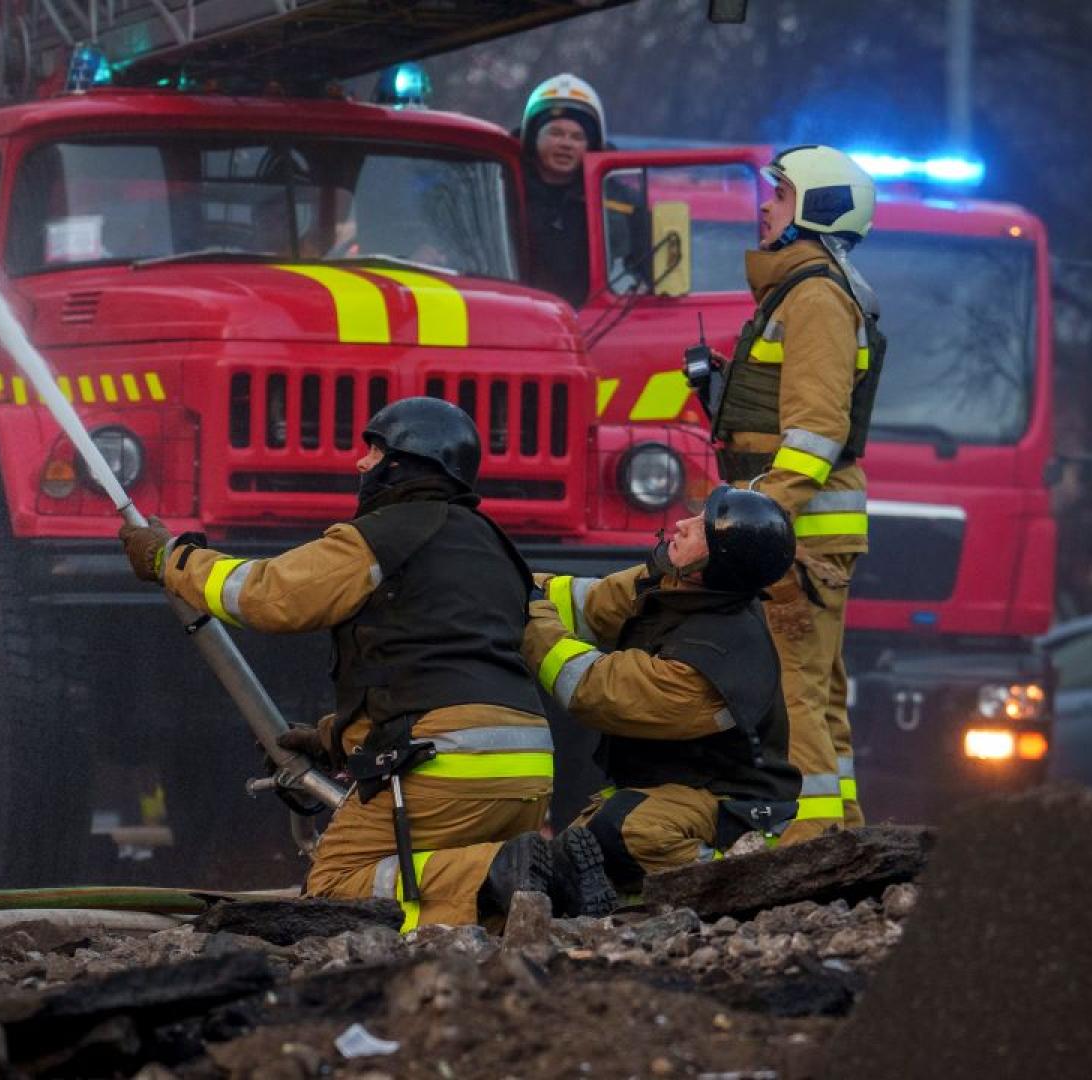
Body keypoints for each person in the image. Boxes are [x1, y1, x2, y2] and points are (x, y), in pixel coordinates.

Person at [119, 397, 616, 927]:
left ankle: (492, 872)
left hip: (445, 766)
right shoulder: (497, 548)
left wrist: (170, 559)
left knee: (334, 891)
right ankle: (539, 879)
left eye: (374, 451)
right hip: (528, 769)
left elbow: (267, 595)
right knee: (453, 892)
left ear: (404, 464)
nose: (361, 464)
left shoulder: (382, 536)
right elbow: (439, 664)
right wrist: (337, 737)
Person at [708, 144, 886, 840]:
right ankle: (844, 835)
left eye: (778, 194)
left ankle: (807, 847)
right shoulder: (807, 290)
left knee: (791, 692)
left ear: (815, 209)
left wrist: (759, 515)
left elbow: (815, 431)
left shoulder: (813, 297)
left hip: (800, 535)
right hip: (809, 531)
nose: (763, 205)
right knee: (823, 692)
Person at [524, 488, 801, 882]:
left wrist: (530, 617)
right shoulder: (675, 586)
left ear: (718, 564)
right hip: (673, 791)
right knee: (567, 861)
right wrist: (508, 579)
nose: (682, 525)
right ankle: (633, 907)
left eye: (703, 528)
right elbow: (587, 604)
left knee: (627, 832)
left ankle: (733, 880)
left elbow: (595, 690)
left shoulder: (712, 656)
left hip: (729, 807)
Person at [517, 73, 646, 306]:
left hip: (596, 325)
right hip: (516, 316)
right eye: (555, 133)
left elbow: (650, 273)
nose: (566, 144)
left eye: (577, 137)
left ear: (592, 145)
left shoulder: (622, 204)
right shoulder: (500, 189)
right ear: (532, 137)